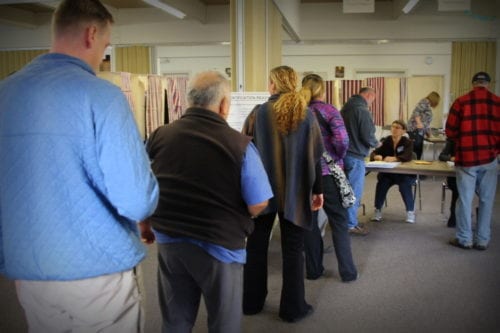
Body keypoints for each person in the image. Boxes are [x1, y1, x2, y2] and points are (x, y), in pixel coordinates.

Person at [0, 1, 159, 332]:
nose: (103, 55)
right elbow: (136, 200)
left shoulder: (5, 93)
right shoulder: (103, 96)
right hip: (98, 269)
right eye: (105, 45)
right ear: (91, 33)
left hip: (31, 266)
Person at [144, 71, 273, 333]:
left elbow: (143, 185)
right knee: (223, 322)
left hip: (170, 240)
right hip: (220, 244)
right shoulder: (240, 145)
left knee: (175, 318)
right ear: (224, 104)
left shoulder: (159, 135)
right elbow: (258, 203)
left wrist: (145, 223)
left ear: (189, 100)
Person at [241, 65, 324, 323]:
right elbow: (316, 156)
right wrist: (317, 190)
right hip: (296, 191)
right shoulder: (307, 114)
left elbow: (244, 151)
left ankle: (251, 303)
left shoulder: (258, 113)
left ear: (274, 84)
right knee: (293, 248)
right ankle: (292, 308)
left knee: (255, 246)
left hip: (262, 190)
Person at [301, 74, 358, 283]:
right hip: (328, 174)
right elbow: (342, 140)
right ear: (322, 91)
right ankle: (348, 272)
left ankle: (314, 270)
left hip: (305, 175)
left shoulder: (298, 112)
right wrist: (337, 156)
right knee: (340, 222)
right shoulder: (329, 110)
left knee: (310, 224)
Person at [445, 71, 499, 251]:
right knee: (486, 200)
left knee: (465, 200)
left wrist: (463, 140)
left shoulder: (461, 102)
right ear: (488, 84)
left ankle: (464, 239)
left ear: (473, 84)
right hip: (490, 158)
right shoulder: (498, 103)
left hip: (467, 159)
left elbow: (450, 132)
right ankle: (483, 240)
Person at [341, 87, 380, 235]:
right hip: (356, 156)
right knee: (354, 192)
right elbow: (367, 134)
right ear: (369, 95)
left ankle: (346, 221)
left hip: (343, 155)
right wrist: (377, 144)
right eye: (372, 99)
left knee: (344, 191)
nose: (371, 103)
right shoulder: (362, 110)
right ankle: (350, 224)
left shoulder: (345, 107)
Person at [369, 120, 417, 223]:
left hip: (404, 174)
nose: (394, 129)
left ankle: (410, 212)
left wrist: (395, 158)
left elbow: (408, 156)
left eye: (397, 127)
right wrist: (376, 156)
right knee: (381, 183)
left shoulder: (407, 142)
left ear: (403, 131)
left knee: (404, 186)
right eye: (393, 127)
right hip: (389, 174)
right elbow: (374, 153)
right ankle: (377, 210)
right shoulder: (387, 140)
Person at [407, 91, 441, 160]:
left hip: (419, 132)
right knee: (415, 153)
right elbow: (416, 112)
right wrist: (419, 123)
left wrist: (429, 133)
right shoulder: (425, 102)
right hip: (415, 131)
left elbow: (426, 123)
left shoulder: (427, 105)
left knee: (418, 152)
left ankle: (415, 168)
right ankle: (413, 169)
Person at [438, 139, 458, 228]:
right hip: (455, 174)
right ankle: (454, 217)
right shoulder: (452, 140)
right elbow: (442, 156)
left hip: (474, 173)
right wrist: (451, 158)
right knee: (458, 189)